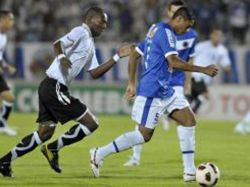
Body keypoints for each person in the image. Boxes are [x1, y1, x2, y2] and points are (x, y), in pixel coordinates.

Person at [90, 7, 218, 181]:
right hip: (152, 91)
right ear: (179, 19)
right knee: (143, 135)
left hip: (166, 90)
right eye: (186, 26)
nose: (186, 31)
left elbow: (135, 54)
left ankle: (189, 172)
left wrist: (131, 83)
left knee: (189, 120)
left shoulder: (155, 28)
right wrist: (203, 69)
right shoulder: (167, 33)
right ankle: (99, 153)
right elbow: (173, 61)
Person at [0, 7, 131, 177]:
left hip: (49, 87)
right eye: (102, 21)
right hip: (54, 86)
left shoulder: (90, 44)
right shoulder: (81, 32)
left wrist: (116, 57)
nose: (104, 25)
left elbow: (94, 73)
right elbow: (58, 44)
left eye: (106, 22)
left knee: (44, 133)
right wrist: (61, 58)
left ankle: (5, 161)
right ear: (90, 18)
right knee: (91, 123)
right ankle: (53, 148)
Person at [123, 0, 198, 177]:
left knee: (187, 121)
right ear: (170, 13)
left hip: (176, 83)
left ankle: (188, 168)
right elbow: (140, 52)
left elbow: (190, 59)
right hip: (156, 84)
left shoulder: (190, 34)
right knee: (144, 127)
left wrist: (188, 82)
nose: (173, 15)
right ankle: (135, 156)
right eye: (172, 12)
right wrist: (134, 82)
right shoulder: (160, 30)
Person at [190, 28, 231, 114]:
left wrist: (227, 69)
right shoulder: (201, 46)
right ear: (211, 35)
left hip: (206, 79)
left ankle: (173, 115)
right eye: (216, 35)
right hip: (197, 75)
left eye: (219, 35)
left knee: (191, 98)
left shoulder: (222, 50)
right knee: (205, 96)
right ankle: (191, 116)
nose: (218, 37)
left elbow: (226, 64)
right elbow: (191, 57)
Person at [0, 10, 16, 136]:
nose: (12, 22)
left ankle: (1, 125)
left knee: (9, 98)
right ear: (3, 19)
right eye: (10, 19)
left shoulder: (4, 36)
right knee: (8, 98)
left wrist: (6, 66)